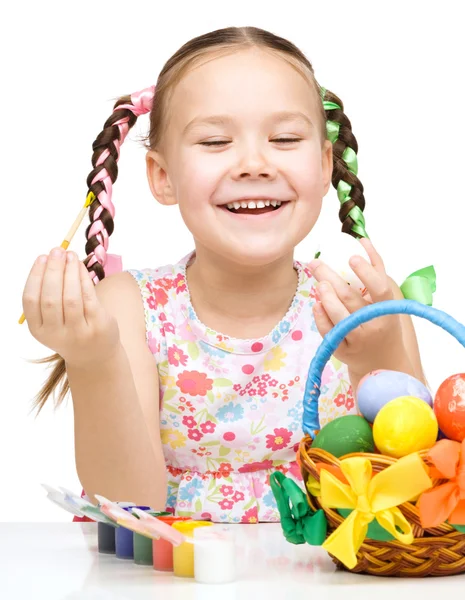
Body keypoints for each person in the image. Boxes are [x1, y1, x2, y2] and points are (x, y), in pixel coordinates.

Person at [22, 26, 424, 524]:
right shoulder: (129, 308)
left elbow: (418, 501)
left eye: (284, 138)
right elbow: (131, 510)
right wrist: (92, 360)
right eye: (215, 141)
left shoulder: (365, 311)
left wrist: (379, 357)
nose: (254, 163)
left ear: (325, 167)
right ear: (162, 177)